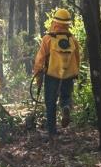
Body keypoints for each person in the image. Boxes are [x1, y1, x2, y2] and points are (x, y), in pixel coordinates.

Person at [33, 8, 81, 139]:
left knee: (50, 102)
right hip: (68, 75)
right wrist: (76, 72)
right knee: (65, 97)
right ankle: (65, 107)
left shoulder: (48, 39)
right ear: (67, 24)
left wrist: (38, 76)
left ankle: (52, 132)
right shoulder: (72, 39)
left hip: (52, 75)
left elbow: (39, 60)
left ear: (55, 22)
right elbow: (77, 57)